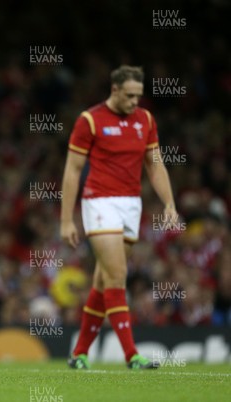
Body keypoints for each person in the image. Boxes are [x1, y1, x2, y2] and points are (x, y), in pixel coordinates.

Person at [60, 65, 178, 369]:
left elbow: (155, 164)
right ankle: (132, 356)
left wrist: (169, 203)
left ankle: (79, 353)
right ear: (114, 90)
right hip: (99, 202)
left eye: (138, 96)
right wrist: (66, 219)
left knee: (103, 281)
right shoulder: (90, 120)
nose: (134, 102)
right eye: (129, 96)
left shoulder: (145, 120)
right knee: (117, 276)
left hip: (131, 204)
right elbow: (73, 171)